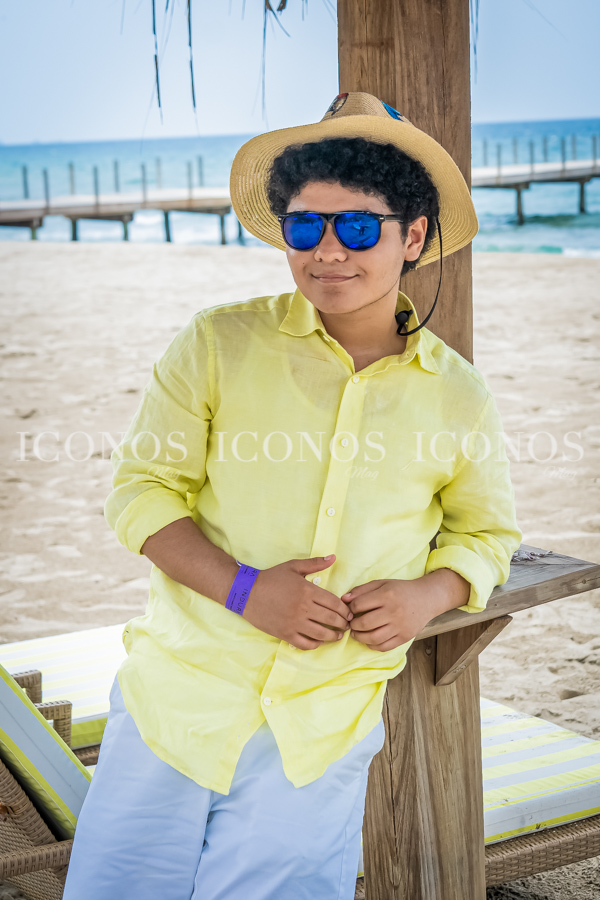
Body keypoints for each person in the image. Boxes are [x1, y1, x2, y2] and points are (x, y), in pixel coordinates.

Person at [63, 92, 522, 900]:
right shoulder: (217, 343)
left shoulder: (458, 395)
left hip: (321, 724)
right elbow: (142, 493)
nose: (328, 252)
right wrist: (246, 589)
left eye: (359, 228)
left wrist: (427, 595)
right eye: (305, 227)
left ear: (414, 237)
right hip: (178, 698)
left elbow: (485, 535)